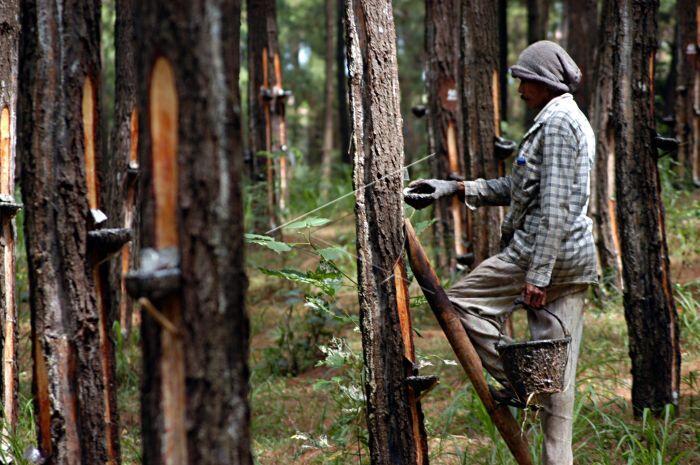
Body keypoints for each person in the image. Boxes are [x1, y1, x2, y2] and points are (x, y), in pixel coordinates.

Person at [404, 41, 596, 465]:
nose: (520, 89)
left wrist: (538, 275)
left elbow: (556, 208)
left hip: (548, 255)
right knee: (557, 393)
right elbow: (521, 189)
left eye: (524, 80)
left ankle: (520, 376)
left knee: (462, 303)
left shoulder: (560, 124)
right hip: (562, 258)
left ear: (543, 81)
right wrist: (453, 187)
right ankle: (533, 383)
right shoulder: (554, 120)